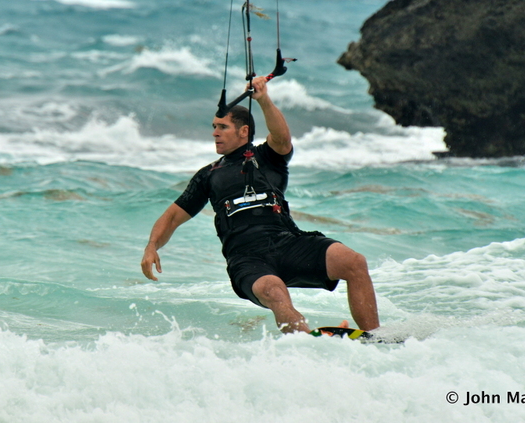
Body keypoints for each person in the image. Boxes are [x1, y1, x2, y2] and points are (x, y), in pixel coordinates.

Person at [140, 76, 380, 333]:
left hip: (288, 242)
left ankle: (375, 337)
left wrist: (263, 99)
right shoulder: (208, 175)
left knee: (354, 262)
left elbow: (281, 137)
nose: (214, 133)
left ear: (243, 131)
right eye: (213, 126)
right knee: (275, 293)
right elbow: (173, 216)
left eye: (222, 127)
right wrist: (152, 246)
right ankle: (306, 345)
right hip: (247, 259)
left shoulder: (269, 158)